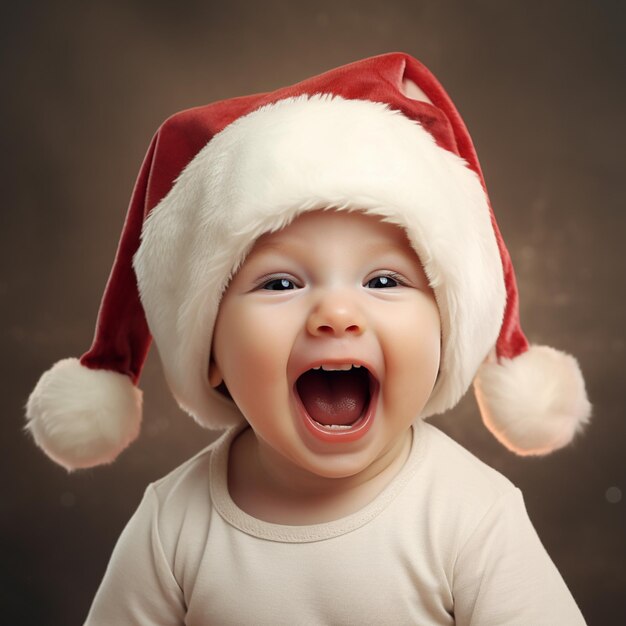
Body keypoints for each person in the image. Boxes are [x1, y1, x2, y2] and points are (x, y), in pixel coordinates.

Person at [26, 53, 591, 624]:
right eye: (279, 282)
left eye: (383, 280)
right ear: (210, 351)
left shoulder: (471, 515)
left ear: (445, 333)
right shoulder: (172, 525)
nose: (337, 314)